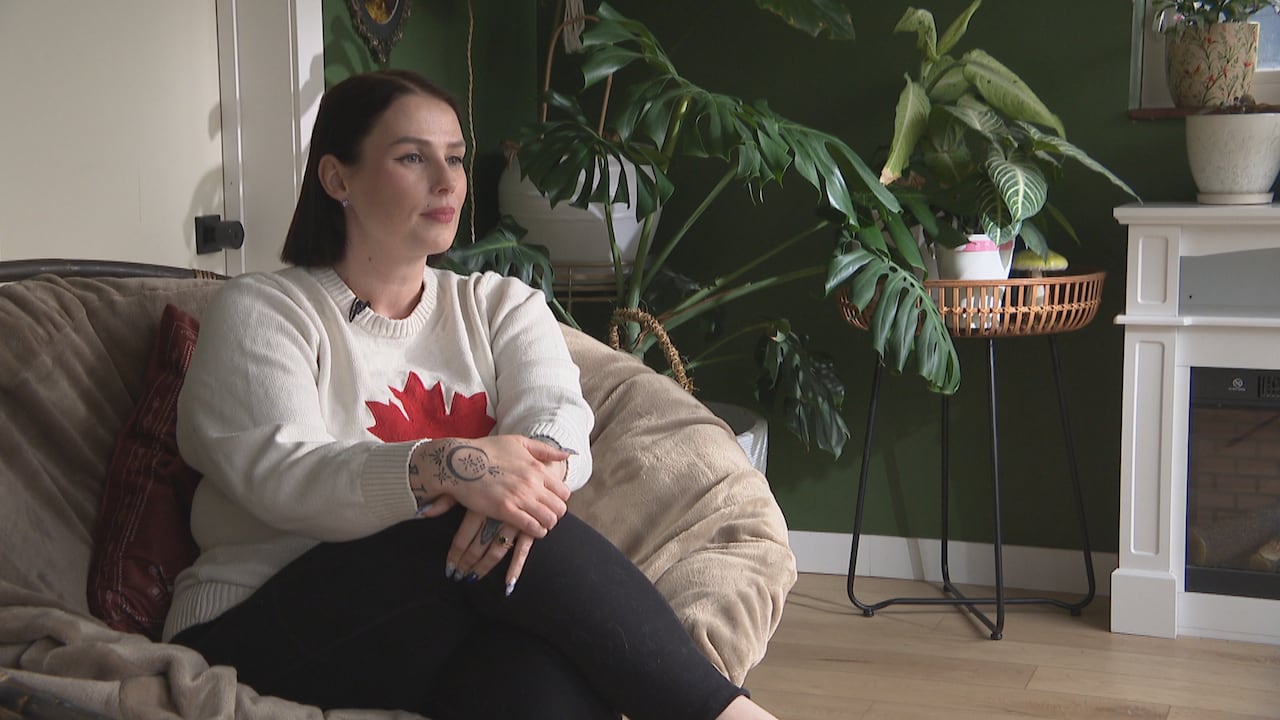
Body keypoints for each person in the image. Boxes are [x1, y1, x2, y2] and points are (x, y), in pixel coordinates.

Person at [163, 68, 779, 720]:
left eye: (455, 158)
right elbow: (282, 472)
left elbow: (560, 416)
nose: (448, 180)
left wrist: (507, 484)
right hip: (260, 629)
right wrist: (451, 469)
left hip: (439, 627)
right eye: (412, 157)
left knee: (546, 678)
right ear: (337, 178)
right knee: (452, 510)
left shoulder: (500, 304)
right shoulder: (264, 310)